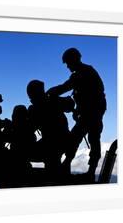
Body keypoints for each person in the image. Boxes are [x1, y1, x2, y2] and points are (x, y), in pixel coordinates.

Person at [47, 48, 107, 181]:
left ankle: (85, 171)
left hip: (92, 114)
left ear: (73, 60)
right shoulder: (84, 72)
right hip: (91, 113)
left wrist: (51, 92)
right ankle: (82, 170)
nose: (67, 66)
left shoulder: (83, 73)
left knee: (78, 138)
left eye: (68, 63)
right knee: (86, 139)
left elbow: (65, 87)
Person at [26, 80, 74, 180]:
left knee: (22, 152)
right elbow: (70, 105)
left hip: (52, 145)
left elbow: (29, 128)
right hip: (63, 142)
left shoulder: (38, 108)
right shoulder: (53, 101)